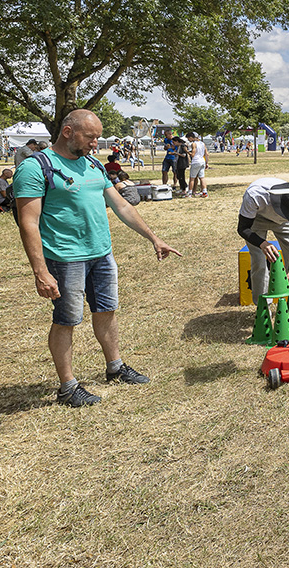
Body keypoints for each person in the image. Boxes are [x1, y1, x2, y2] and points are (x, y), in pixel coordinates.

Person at [14, 109, 180, 408]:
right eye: (90, 137)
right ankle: (67, 387)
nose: (95, 143)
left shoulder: (92, 164)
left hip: (101, 254)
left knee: (106, 310)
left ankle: (115, 367)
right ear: (67, 132)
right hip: (65, 258)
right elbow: (29, 222)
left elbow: (121, 206)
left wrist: (154, 237)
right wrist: (40, 271)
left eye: (97, 137)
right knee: (67, 320)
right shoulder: (36, 166)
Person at [236, 177, 289, 315]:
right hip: (256, 218)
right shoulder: (255, 195)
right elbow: (242, 228)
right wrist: (262, 243)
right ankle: (263, 307)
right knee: (258, 261)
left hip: (285, 221)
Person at [187, 131, 208, 198]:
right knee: (202, 177)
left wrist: (187, 151)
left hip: (196, 161)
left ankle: (189, 193)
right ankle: (204, 192)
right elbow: (206, 154)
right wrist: (206, 163)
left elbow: (193, 154)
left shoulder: (194, 144)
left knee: (192, 178)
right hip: (202, 161)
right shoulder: (202, 143)